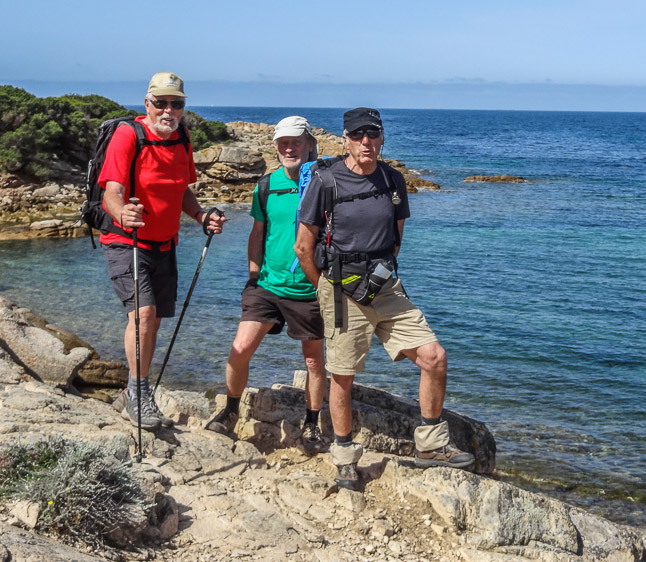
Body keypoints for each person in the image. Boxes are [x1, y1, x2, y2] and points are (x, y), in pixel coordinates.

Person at [294, 107, 474, 489]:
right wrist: (325, 287)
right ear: (344, 139)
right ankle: (344, 458)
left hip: (384, 287)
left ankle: (429, 446)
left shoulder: (393, 180)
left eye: (372, 134)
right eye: (358, 135)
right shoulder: (326, 180)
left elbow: (396, 237)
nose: (366, 142)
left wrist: (378, 274)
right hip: (341, 289)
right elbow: (303, 246)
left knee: (434, 357)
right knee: (342, 376)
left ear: (381, 138)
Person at [102, 72, 226, 432]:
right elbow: (112, 191)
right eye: (161, 103)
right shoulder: (129, 136)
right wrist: (121, 210)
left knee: (152, 322)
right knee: (142, 315)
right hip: (128, 241)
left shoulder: (182, 138)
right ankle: (140, 394)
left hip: (166, 243)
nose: (169, 110)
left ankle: (129, 391)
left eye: (177, 103)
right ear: (147, 103)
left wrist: (202, 215)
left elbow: (181, 189)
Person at [205, 116, 327, 455]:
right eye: (282, 143)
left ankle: (312, 424)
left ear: (308, 144)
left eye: (296, 142)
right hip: (268, 285)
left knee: (314, 361)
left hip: (310, 288)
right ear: (276, 147)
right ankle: (230, 410)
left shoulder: (324, 183)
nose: (289, 148)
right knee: (240, 349)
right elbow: (257, 233)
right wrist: (253, 276)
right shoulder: (266, 185)